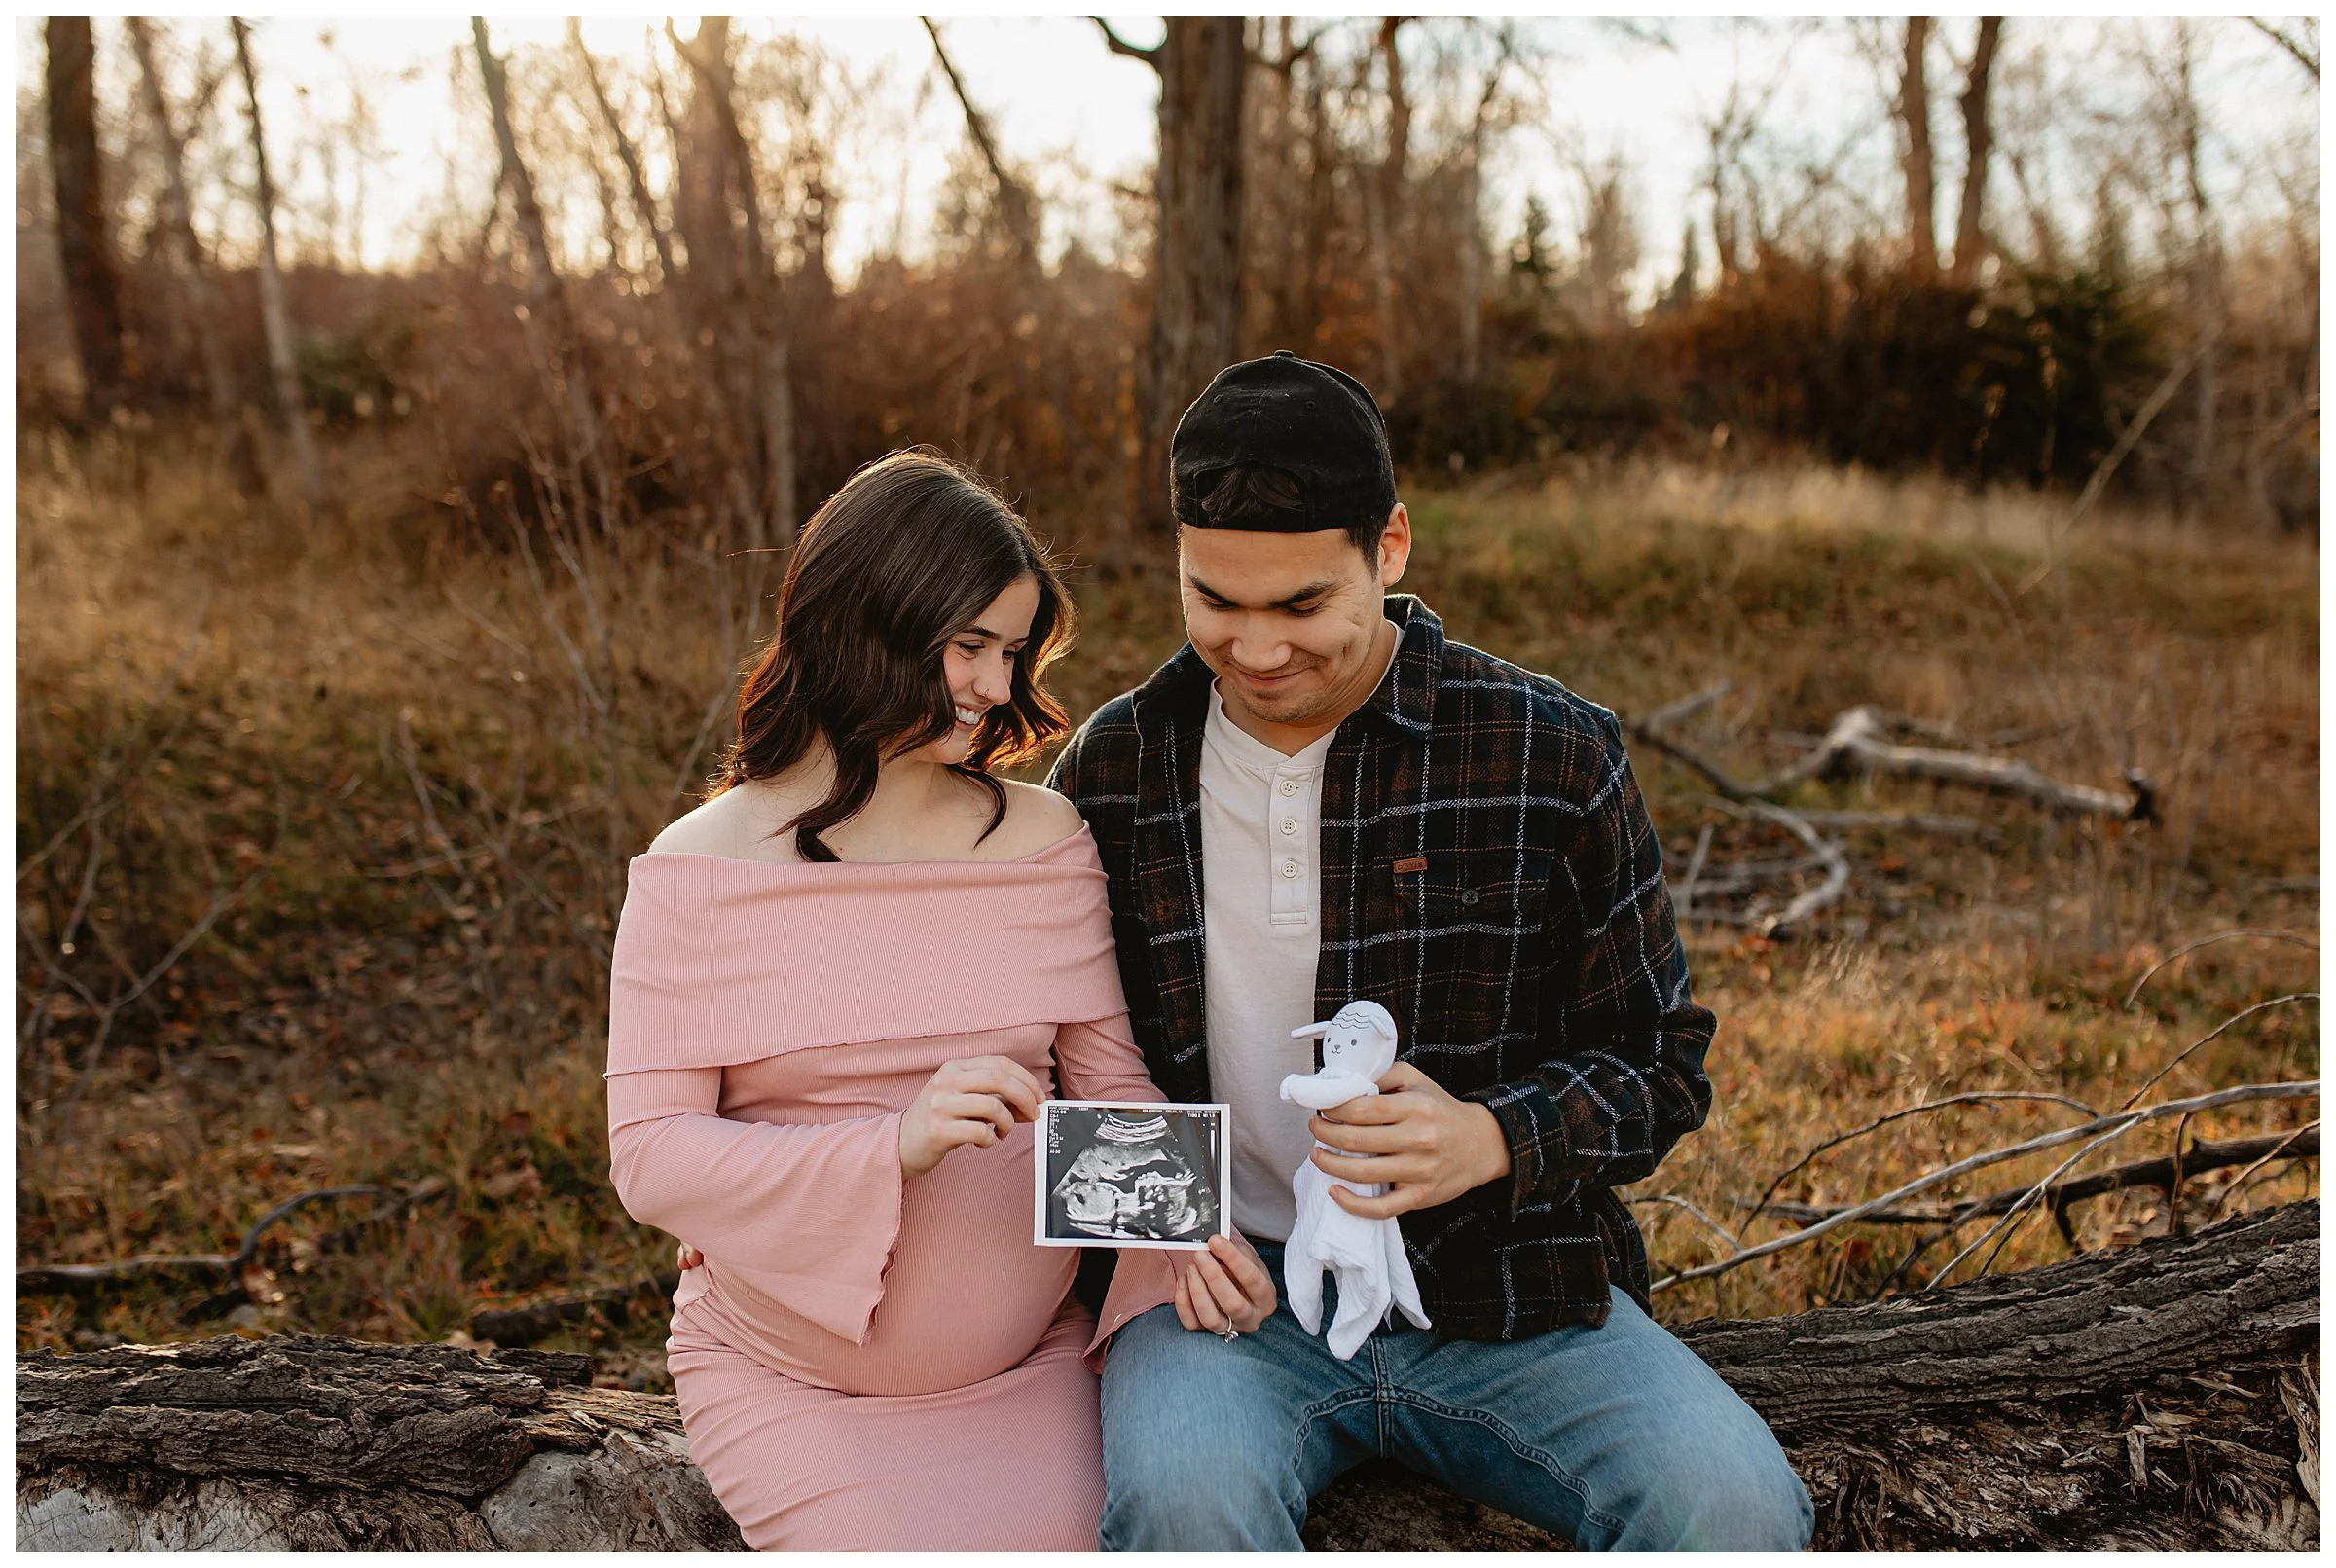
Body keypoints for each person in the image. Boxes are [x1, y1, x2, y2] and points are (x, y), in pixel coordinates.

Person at [1047, 352, 1815, 1550]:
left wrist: (1491, 1137)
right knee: (1182, 1508)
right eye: (1215, 600)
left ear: (1389, 547)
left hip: (1510, 1299)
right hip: (1231, 1308)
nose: (1253, 650)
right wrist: (1167, 1234)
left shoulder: (1550, 755)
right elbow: (1060, 1057)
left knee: (1729, 1506)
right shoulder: (1112, 771)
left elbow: (1661, 1063)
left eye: (1302, 605)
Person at [605, 451, 1222, 1550]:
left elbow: (1110, 1085)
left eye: (1013, 649)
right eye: (968, 647)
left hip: (1032, 1370)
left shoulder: (1041, 842)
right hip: (799, 1390)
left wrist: (1190, 1243)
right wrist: (893, 1144)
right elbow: (648, 1157)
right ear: (864, 626)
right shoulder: (699, 870)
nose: (995, 684)